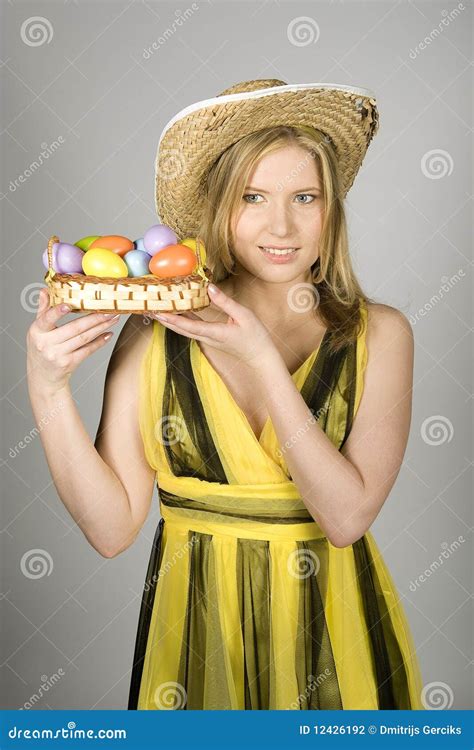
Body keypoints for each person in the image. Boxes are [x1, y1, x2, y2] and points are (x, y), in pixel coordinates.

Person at [27, 79, 424, 710]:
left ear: (332, 209)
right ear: (219, 206)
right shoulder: (152, 332)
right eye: (253, 197)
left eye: (305, 197)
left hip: (336, 644)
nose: (282, 225)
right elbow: (110, 530)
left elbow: (345, 519)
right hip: (193, 646)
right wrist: (47, 392)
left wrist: (262, 358)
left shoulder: (382, 336)